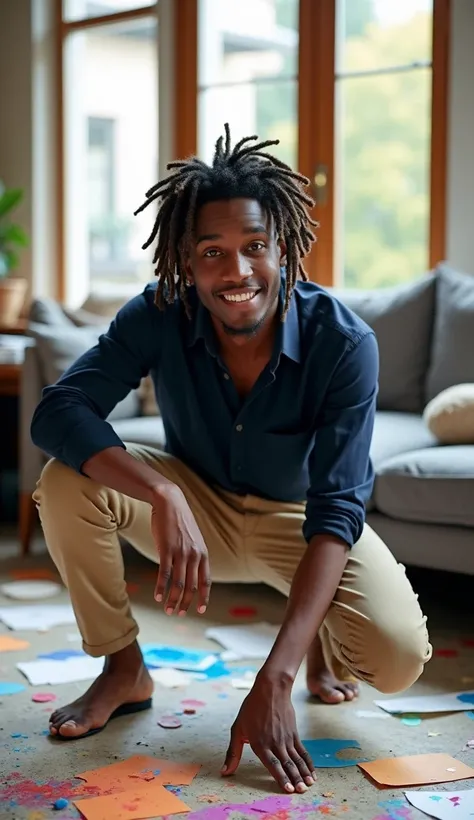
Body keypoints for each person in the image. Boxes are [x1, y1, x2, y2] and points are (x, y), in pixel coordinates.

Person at [31, 125, 431, 794]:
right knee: (64, 478)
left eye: (254, 248)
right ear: (185, 262)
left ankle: (315, 652)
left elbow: (338, 510)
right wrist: (164, 494)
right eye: (212, 252)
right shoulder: (160, 313)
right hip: (195, 504)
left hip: (299, 523)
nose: (237, 272)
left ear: (284, 249)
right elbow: (56, 412)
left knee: (398, 659)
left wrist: (274, 678)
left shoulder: (344, 342)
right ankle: (123, 668)